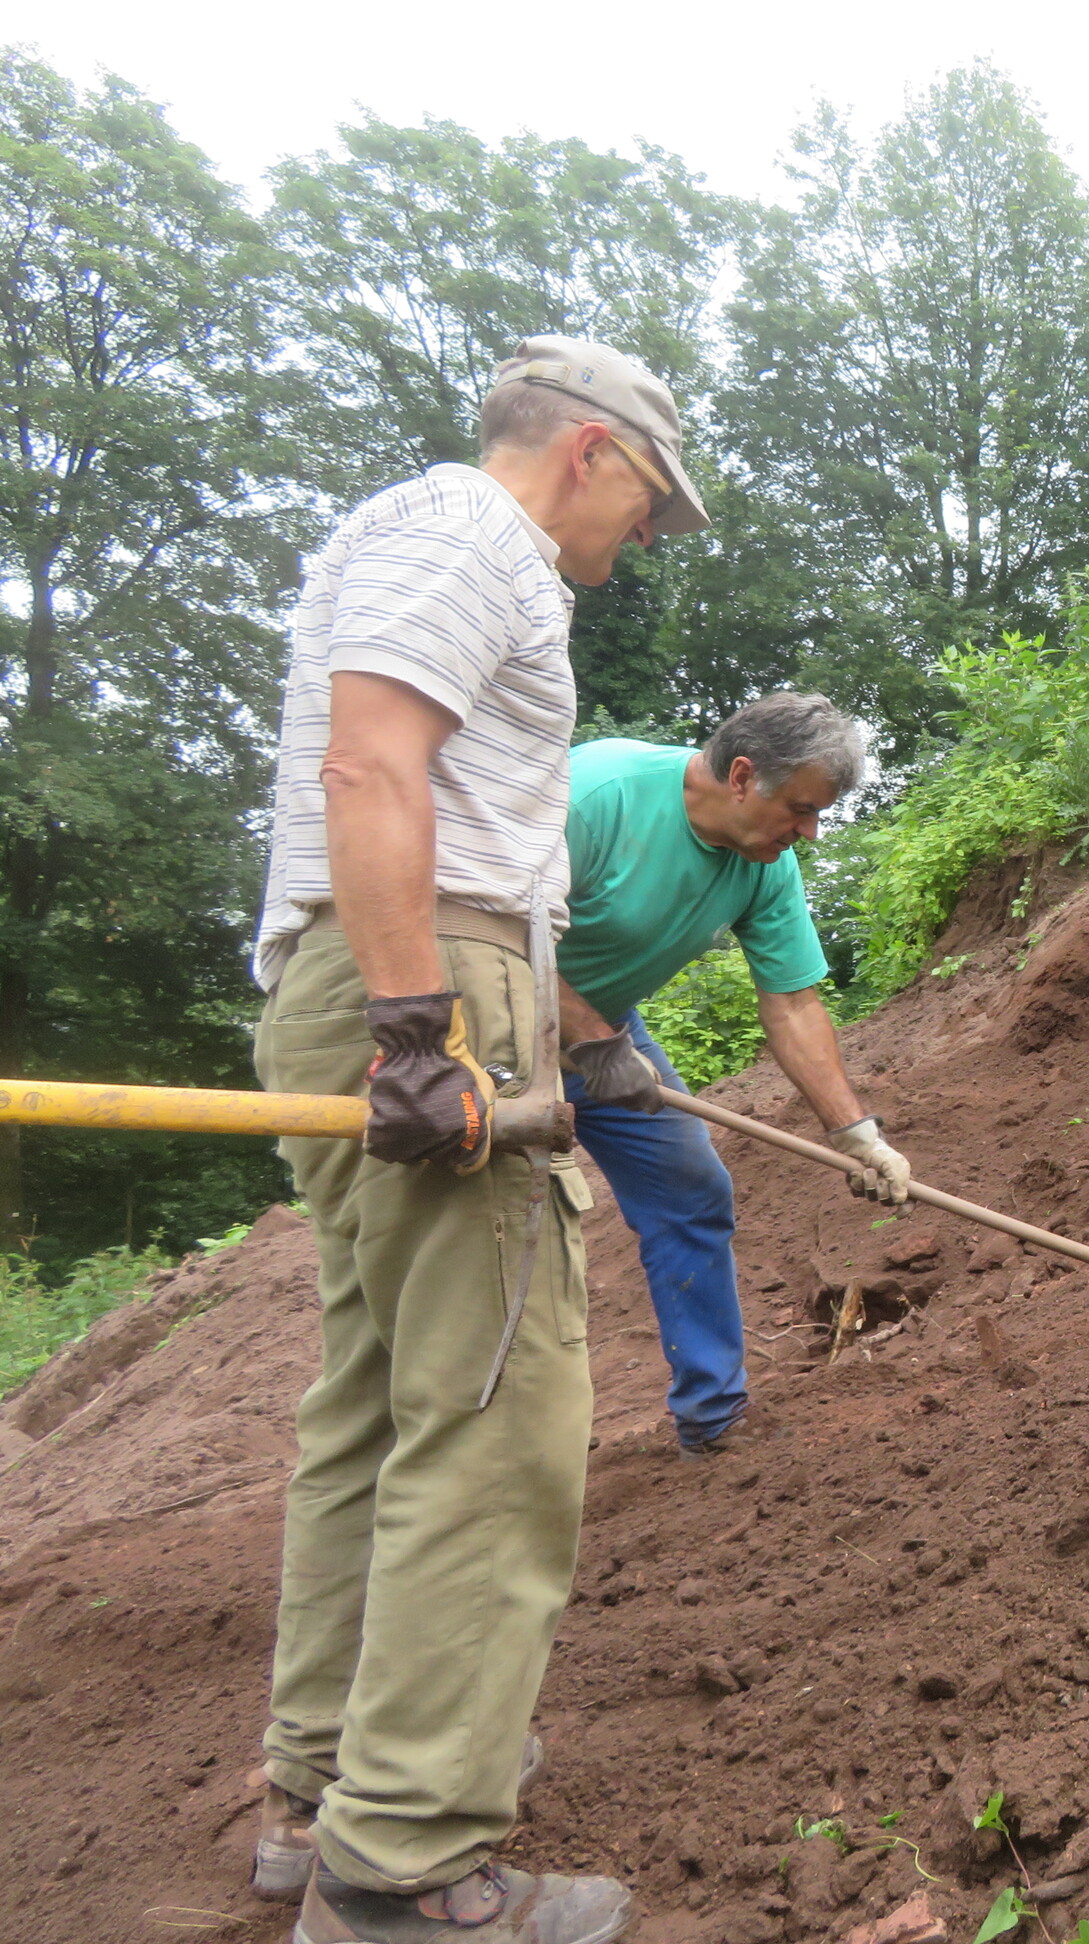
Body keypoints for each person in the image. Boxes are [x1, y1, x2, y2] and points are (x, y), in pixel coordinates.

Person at [246, 333, 703, 1944]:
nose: (646, 533)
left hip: (381, 972)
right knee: (499, 1414)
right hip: (424, 979)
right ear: (588, 451)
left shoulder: (407, 533)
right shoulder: (473, 535)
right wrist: (417, 1032)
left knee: (381, 1398)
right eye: (649, 498)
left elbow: (431, 801)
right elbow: (373, 763)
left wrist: (577, 1040)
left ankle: (323, 1790)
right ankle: (407, 1864)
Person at [554, 692, 911, 1458]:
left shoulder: (765, 866)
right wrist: (588, 1041)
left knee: (690, 1190)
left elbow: (793, 1004)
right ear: (743, 777)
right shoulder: (595, 795)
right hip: (481, 1035)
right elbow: (485, 935)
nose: (810, 833)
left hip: (605, 1034)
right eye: (801, 809)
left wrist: (855, 1134)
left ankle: (713, 1418)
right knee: (506, 1238)